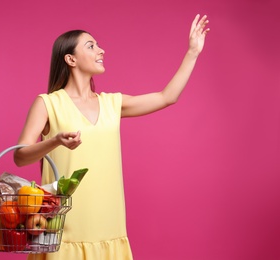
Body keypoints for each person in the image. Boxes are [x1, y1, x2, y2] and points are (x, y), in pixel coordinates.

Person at [14, 14, 210, 260]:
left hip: (109, 226)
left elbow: (166, 97)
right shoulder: (48, 104)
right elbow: (20, 157)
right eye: (91, 46)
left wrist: (192, 52)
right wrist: (54, 141)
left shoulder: (112, 103)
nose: (101, 50)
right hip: (63, 229)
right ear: (71, 59)